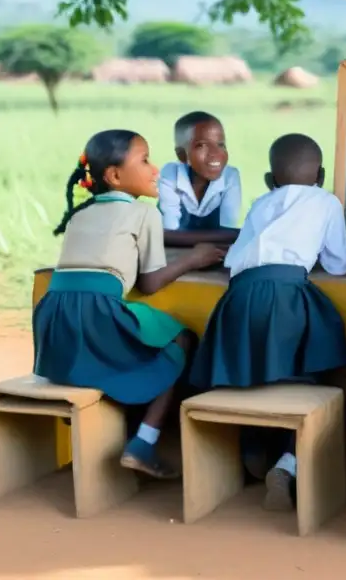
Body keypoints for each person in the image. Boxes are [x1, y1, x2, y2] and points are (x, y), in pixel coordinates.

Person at [33, 130, 226, 478]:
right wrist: (194, 260)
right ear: (115, 176)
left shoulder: (80, 214)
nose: (156, 171)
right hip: (97, 315)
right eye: (145, 160)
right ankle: (144, 443)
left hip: (53, 319)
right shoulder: (143, 214)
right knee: (180, 338)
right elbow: (150, 282)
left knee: (136, 336)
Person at [190, 133, 346, 512]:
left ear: (270, 179)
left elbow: (235, 261)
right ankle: (287, 463)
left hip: (238, 298)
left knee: (250, 372)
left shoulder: (261, 203)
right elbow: (339, 263)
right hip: (286, 294)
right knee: (308, 371)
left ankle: (251, 446)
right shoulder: (326, 201)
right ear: (322, 174)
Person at [158, 111, 241, 247]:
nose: (215, 153)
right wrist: (230, 235)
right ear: (182, 155)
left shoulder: (230, 176)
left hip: (211, 253)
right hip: (173, 255)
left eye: (221, 145)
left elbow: (228, 230)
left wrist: (229, 235)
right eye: (201, 145)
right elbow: (168, 233)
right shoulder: (170, 174)